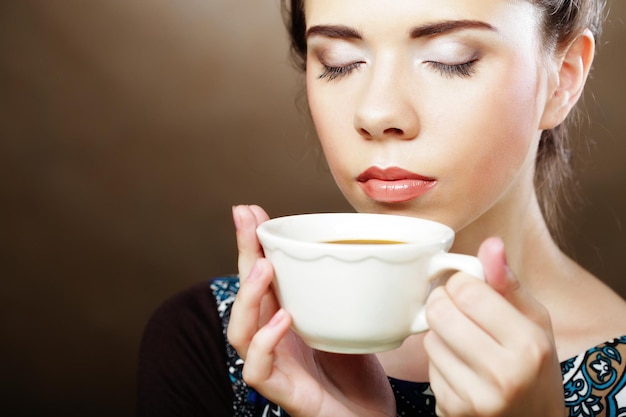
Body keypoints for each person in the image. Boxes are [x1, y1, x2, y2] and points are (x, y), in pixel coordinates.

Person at [137, 0, 626, 415]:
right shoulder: (212, 342)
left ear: (562, 79)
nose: (377, 113)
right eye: (339, 61)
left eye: (450, 59)